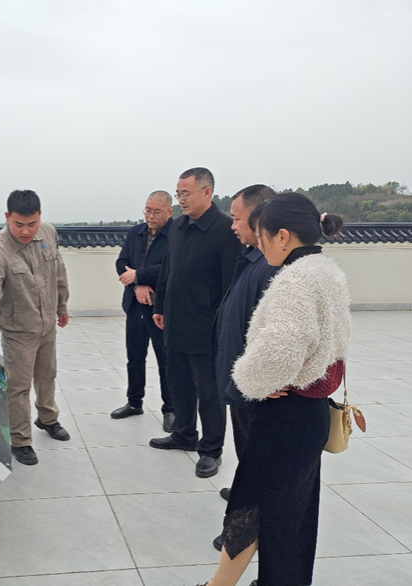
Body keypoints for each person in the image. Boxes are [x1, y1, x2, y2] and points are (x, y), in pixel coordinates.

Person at [194, 192, 350, 586]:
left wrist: (247, 382)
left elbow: (280, 350)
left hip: (285, 415)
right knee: (293, 516)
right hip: (311, 410)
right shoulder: (325, 270)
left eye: (261, 237)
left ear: (282, 236)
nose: (259, 246)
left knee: (251, 505)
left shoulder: (293, 281)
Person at [149, 168, 243, 478]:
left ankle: (211, 449)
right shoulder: (178, 226)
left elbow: (231, 284)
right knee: (179, 383)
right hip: (175, 321)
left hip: (206, 327)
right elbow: (167, 271)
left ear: (207, 192)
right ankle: (184, 433)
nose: (181, 199)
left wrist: (224, 326)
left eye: (185, 193)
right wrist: (160, 306)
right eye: (178, 194)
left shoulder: (224, 230)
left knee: (209, 391)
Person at [0, 189, 70, 466]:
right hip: (18, 330)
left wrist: (61, 306)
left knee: (47, 375)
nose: (26, 231)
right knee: (19, 386)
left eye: (32, 224)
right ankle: (20, 440)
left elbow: (58, 271)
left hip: (46, 323)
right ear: (7, 217)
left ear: (40, 217)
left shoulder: (48, 233)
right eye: (18, 224)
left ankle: (47, 418)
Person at [210, 185, 278, 553]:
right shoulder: (252, 258)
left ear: (258, 219)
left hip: (254, 387)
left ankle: (244, 530)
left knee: (257, 466)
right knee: (246, 456)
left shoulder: (271, 267)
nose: (232, 225)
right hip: (240, 380)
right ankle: (245, 507)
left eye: (237, 218)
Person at [111, 190, 175, 432]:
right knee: (135, 357)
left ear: (169, 212)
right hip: (134, 304)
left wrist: (139, 275)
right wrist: (138, 284)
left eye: (157, 212)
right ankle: (134, 402)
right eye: (148, 210)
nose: (151, 216)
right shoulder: (135, 232)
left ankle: (171, 409)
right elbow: (121, 263)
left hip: (161, 308)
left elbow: (170, 267)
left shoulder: (176, 234)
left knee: (166, 360)